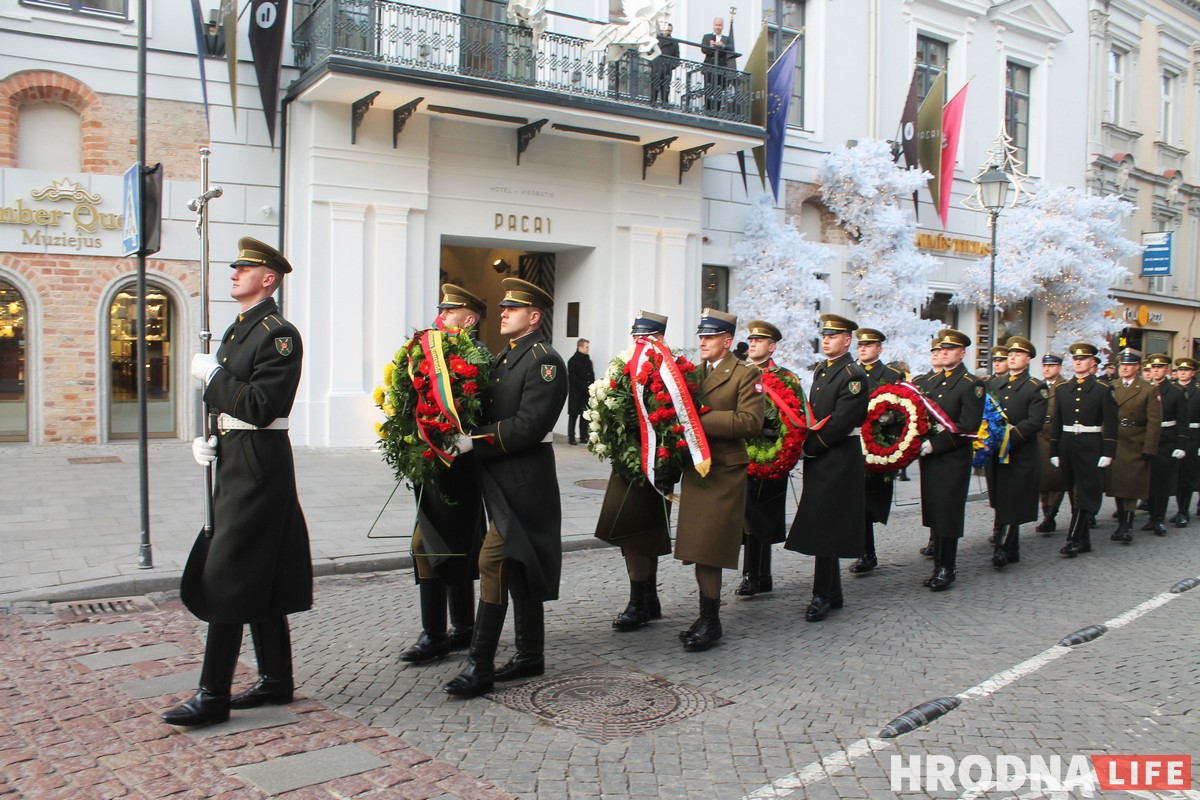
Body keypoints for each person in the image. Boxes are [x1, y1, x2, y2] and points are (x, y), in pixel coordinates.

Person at [164, 237, 311, 727]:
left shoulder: (278, 334)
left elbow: (259, 405)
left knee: (227, 572)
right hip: (234, 455)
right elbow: (226, 405)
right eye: (234, 266)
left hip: (258, 462)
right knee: (257, 569)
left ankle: (212, 695)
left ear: (268, 278)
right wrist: (204, 436)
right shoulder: (238, 330)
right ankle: (276, 680)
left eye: (243, 267)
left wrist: (212, 377)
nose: (233, 272)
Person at [443, 278, 567, 698]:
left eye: (511, 309)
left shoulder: (545, 361)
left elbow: (530, 426)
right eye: (502, 309)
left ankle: (480, 666)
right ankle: (531, 654)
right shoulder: (505, 357)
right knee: (521, 566)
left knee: (494, 561)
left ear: (533, 317)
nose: (502, 314)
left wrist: (473, 440)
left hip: (525, 481)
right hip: (499, 478)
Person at [398, 285, 489, 666]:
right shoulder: (423, 350)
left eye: (449, 310)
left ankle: (461, 628)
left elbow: (483, 409)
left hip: (461, 467)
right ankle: (435, 632)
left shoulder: (479, 357)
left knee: (457, 547)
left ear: (468, 319)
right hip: (430, 463)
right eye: (441, 308)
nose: (441, 315)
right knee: (425, 545)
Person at [674, 308, 764, 651]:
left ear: (727, 341)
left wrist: (700, 419)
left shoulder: (745, 373)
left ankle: (711, 621)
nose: (703, 342)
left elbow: (750, 422)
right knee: (698, 548)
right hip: (698, 470)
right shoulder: (693, 373)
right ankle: (705, 615)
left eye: (709, 337)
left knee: (710, 548)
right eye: (701, 337)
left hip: (724, 470)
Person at [786, 314, 869, 620]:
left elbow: (842, 421)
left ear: (848, 340)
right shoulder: (824, 369)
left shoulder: (854, 374)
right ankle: (832, 591)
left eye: (833, 336)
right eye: (825, 336)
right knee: (824, 523)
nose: (827, 340)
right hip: (822, 458)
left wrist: (810, 446)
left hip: (839, 457)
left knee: (827, 525)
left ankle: (821, 594)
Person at [595, 312, 673, 631]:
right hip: (628, 464)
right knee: (632, 534)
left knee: (642, 534)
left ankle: (639, 603)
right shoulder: (624, 366)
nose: (640, 343)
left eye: (647, 337)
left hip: (656, 464)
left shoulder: (668, 369)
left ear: (660, 338)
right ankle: (646, 599)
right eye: (637, 337)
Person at [913, 329, 984, 592]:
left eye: (950, 349)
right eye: (941, 349)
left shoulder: (971, 384)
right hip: (930, 458)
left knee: (949, 513)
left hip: (952, 458)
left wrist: (935, 443)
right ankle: (938, 564)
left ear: (962, 353)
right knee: (935, 511)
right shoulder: (930, 382)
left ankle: (947, 567)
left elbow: (969, 426)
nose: (943, 353)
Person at [736, 319, 800, 596]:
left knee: (764, 516)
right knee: (747, 516)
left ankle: (762, 574)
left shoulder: (786, 378)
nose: (752, 344)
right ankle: (753, 574)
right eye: (751, 340)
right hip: (742, 455)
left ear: (772, 347)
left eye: (759, 341)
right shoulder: (740, 373)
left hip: (771, 456)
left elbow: (795, 417)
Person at [983, 337, 1048, 569]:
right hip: (996, 454)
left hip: (1020, 453)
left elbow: (1035, 422)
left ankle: (1002, 547)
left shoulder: (1036, 386)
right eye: (1009, 354)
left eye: (1018, 354)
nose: (1011, 357)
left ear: (1028, 359)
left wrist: (1008, 439)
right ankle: (1011, 548)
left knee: (1014, 499)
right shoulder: (995, 384)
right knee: (1001, 499)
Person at [1049, 343, 1119, 557]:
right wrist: (1054, 450)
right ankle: (1084, 540)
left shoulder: (1103, 389)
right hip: (1068, 444)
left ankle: (1072, 540)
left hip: (1091, 445)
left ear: (1092, 363)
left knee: (1085, 494)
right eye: (1076, 359)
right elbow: (1056, 422)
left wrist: (1108, 452)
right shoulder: (1062, 390)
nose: (1078, 362)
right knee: (1073, 492)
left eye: (1083, 359)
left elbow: (1111, 423)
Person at [848, 327, 906, 575]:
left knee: (873, 501)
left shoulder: (891, 375)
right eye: (861, 345)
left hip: (881, 448)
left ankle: (867, 551)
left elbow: (905, 409)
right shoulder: (851, 372)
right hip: (855, 446)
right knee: (858, 502)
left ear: (879, 349)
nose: (863, 348)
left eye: (869, 345)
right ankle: (866, 553)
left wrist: (888, 420)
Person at [1105, 348, 1162, 543]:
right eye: (1122, 365)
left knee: (1131, 488)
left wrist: (1149, 447)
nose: (1125, 368)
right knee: (1117, 486)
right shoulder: (1112, 387)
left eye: (1129, 365)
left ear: (1137, 367)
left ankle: (1127, 526)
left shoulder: (1148, 389)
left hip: (1136, 443)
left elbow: (1154, 422)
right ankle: (1121, 523)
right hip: (1116, 441)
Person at [1142, 354, 1187, 536]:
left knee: (1162, 482)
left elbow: (1183, 421)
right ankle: (1152, 516)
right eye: (1153, 367)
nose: (1156, 370)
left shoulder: (1175, 391)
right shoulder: (1144, 389)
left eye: (1160, 367)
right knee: (1149, 481)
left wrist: (1181, 444)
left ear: (1167, 370)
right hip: (1147, 439)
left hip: (1166, 439)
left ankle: (1159, 518)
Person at [1036, 353, 1070, 533]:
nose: (1047, 369)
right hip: (1040, 437)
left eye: (1051, 366)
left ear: (1059, 368)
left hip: (1057, 437)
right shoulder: (1038, 386)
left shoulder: (1065, 387)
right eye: (1045, 365)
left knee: (1057, 479)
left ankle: (1051, 515)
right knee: (1042, 479)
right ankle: (1045, 513)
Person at [1172, 357, 1200, 526]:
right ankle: (1179, 508)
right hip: (1174, 435)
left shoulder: (1197, 391)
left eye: (1186, 370)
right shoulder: (1172, 389)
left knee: (1187, 475)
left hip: (1193, 435)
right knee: (1176, 474)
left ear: (1193, 373)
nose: (1182, 372)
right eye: (1180, 370)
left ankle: (1183, 511)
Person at [700, 17, 736, 111]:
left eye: (719, 25)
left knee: (720, 90)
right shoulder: (707, 37)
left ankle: (717, 110)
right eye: (716, 25)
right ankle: (707, 109)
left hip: (721, 67)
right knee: (708, 88)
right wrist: (711, 47)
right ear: (713, 25)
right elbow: (703, 49)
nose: (718, 27)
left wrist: (722, 46)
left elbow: (731, 47)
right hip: (709, 66)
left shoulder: (726, 39)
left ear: (722, 26)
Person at [567, 338, 595, 446]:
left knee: (585, 415)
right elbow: (573, 378)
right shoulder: (572, 361)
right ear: (580, 347)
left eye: (588, 347)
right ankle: (571, 437)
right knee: (573, 415)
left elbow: (591, 374)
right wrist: (585, 386)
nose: (588, 349)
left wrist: (592, 386)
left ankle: (583, 436)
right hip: (576, 392)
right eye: (586, 347)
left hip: (586, 393)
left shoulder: (588, 360)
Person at [650, 22, 679, 106]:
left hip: (667, 68)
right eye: (666, 30)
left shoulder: (674, 43)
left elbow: (677, 58)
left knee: (665, 87)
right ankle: (653, 101)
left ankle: (664, 103)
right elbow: (650, 52)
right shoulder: (656, 40)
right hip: (657, 67)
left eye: (669, 30)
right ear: (663, 30)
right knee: (655, 85)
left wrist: (671, 66)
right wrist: (653, 64)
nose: (668, 32)